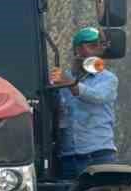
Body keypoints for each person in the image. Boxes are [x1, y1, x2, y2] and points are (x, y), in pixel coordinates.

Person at [50, 26, 119, 178]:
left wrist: (70, 84)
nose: (98, 52)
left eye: (100, 46)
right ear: (78, 51)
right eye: (92, 46)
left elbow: (97, 96)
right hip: (68, 158)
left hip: (99, 156)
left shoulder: (108, 79)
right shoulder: (62, 80)